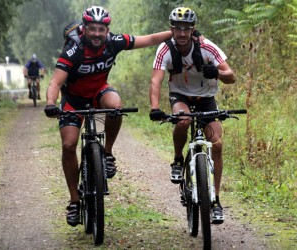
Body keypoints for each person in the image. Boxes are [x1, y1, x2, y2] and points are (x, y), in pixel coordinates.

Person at [44, 6, 202, 227]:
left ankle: (107, 154)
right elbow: (55, 82)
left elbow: (148, 39)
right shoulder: (73, 49)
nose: (97, 34)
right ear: (84, 29)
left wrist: (179, 33)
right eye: (92, 29)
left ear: (107, 29)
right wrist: (51, 103)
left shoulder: (114, 42)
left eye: (101, 29)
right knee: (69, 145)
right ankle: (74, 201)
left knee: (116, 106)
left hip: (100, 91)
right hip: (73, 99)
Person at [149, 7, 236, 224]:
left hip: (206, 99)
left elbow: (231, 76)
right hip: (180, 96)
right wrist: (154, 107)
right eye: (177, 28)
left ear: (192, 30)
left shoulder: (207, 47)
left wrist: (216, 72)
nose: (181, 33)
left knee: (217, 144)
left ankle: (215, 200)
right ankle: (178, 160)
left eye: (186, 29)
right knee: (183, 120)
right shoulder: (165, 49)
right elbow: (156, 80)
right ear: (171, 29)